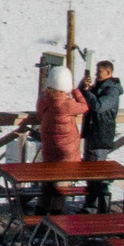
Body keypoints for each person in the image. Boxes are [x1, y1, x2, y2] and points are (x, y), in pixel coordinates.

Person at [34, 61, 87, 212]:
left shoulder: (44, 100)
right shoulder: (68, 104)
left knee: (47, 183)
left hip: (49, 146)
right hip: (67, 150)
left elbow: (39, 116)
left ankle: (39, 212)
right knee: (61, 185)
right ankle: (56, 216)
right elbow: (85, 106)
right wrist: (75, 91)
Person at [77, 59, 122, 213]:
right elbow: (81, 96)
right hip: (92, 133)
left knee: (98, 174)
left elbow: (99, 106)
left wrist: (88, 92)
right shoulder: (98, 86)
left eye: (99, 72)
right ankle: (91, 206)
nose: (97, 75)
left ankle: (98, 207)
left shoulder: (112, 90)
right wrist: (83, 86)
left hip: (101, 135)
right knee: (91, 173)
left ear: (108, 72)